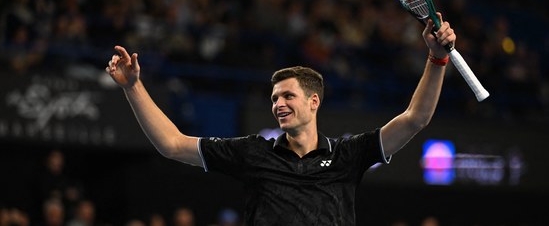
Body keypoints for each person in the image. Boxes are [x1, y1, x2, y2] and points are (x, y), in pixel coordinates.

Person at [105, 12, 456, 225]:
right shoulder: (254, 153)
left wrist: (436, 59)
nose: (278, 104)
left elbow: (415, 119)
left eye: (288, 96)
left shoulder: (349, 156)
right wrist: (134, 87)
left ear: (314, 101)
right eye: (274, 98)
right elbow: (172, 144)